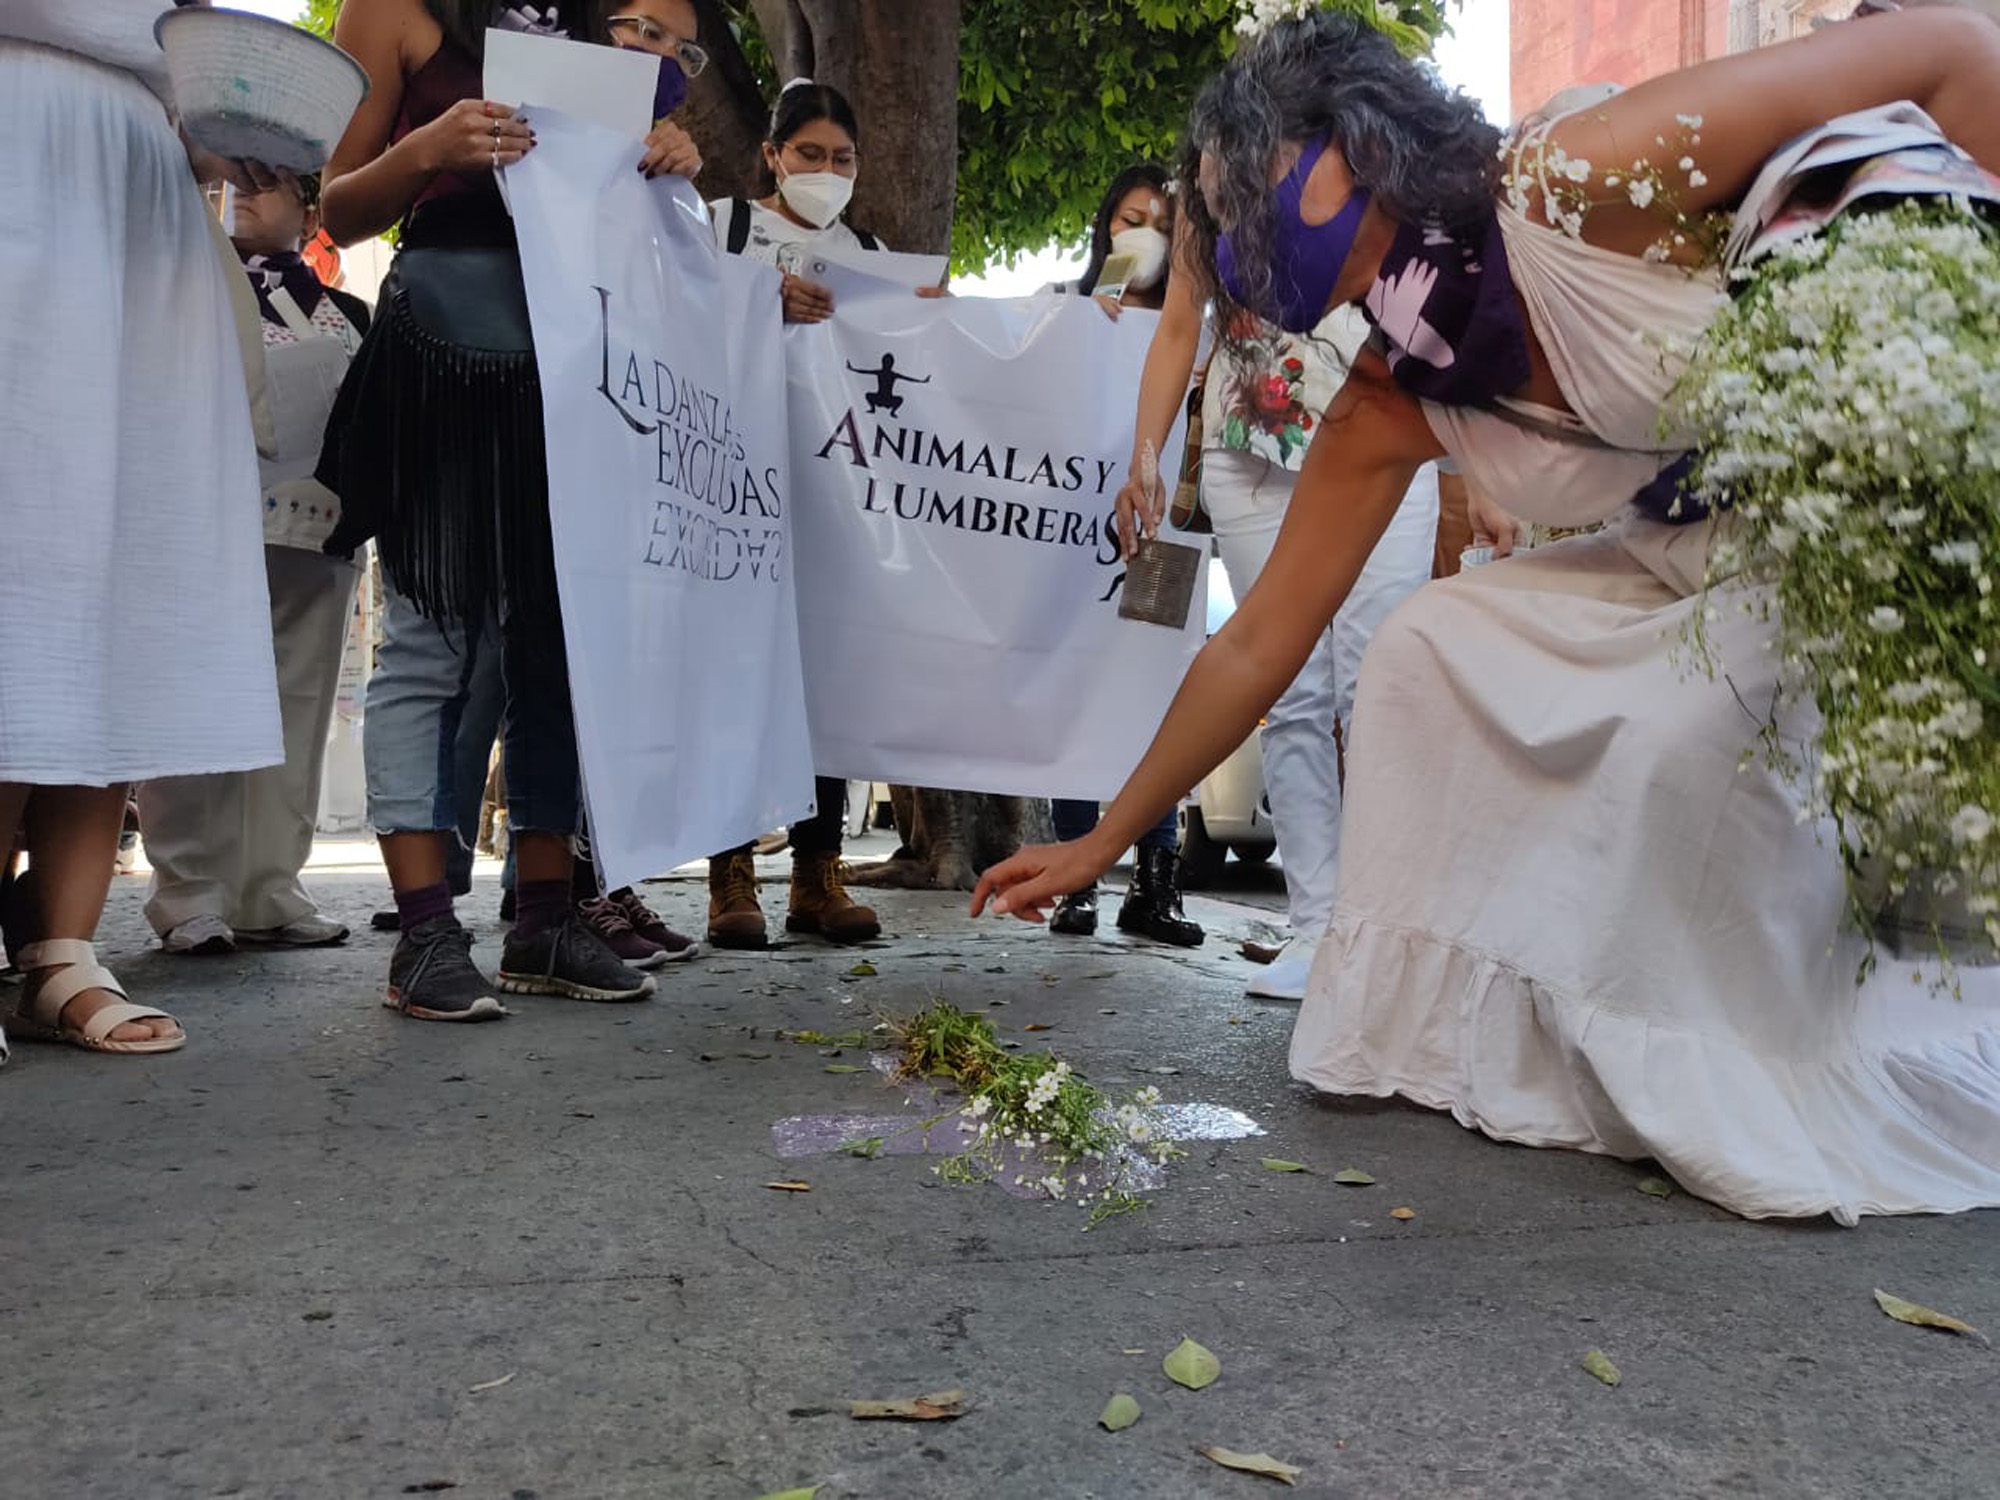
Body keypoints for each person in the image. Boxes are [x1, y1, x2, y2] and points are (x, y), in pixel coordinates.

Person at [975, 8, 2000, 1221]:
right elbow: (1256, 642)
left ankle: (1749, 1051)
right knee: (1424, 648)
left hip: (1867, 538)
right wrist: (1102, 839)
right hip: (1690, 565)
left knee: (1684, 733)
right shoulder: (1384, 398)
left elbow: (1950, 53)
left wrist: (1954, 324)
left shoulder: (1578, 178)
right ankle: (1523, 1031)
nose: (1226, 237)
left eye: (1237, 189)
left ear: (1342, 147)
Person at [317, 0, 701, 1020]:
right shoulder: (394, 11)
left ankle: (544, 916)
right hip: (447, 346)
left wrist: (668, 153)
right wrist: (429, 150)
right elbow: (337, 207)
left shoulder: (601, 24)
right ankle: (427, 931)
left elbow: (627, 207)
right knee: (430, 637)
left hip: (579, 353)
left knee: (558, 647)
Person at [0, 0, 288, 1057]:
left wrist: (224, 133)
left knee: (116, 554)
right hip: (15, 139)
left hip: (138, 179)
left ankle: (58, 952)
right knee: (21, 546)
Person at [1101, 199, 1438, 999]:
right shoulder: (1210, 174)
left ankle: (1391, 936)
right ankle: (1316, 929)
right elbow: (1179, 328)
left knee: (1380, 688)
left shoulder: (1388, 156)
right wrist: (1144, 458)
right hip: (1247, 445)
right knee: (1285, 695)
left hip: (1382, 432)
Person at [701, 80, 914, 950]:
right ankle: (729, 876)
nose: (828, 172)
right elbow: (671, 321)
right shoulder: (724, 229)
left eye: (843, 159)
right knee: (735, 675)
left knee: (826, 680)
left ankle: (817, 876)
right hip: (735, 484)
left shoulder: (869, 250)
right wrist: (760, 301)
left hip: (834, 498)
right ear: (772, 155)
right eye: (811, 155)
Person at [137, 173, 370, 958]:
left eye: (270, 186)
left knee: (297, 707)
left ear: (310, 211)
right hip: (201, 525)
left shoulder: (351, 312)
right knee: (194, 695)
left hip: (322, 535)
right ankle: (188, 891)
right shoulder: (182, 284)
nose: (247, 197)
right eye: (235, 181)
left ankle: (270, 885)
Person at [1044, 166, 1204, 949]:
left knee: (1157, 690)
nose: (1141, 234)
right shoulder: (1067, 311)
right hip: (1074, 543)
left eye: (1160, 222)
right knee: (1079, 686)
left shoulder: (1196, 325)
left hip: (1165, 536)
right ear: (1104, 228)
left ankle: (1156, 880)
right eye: (1127, 219)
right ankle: (1074, 878)